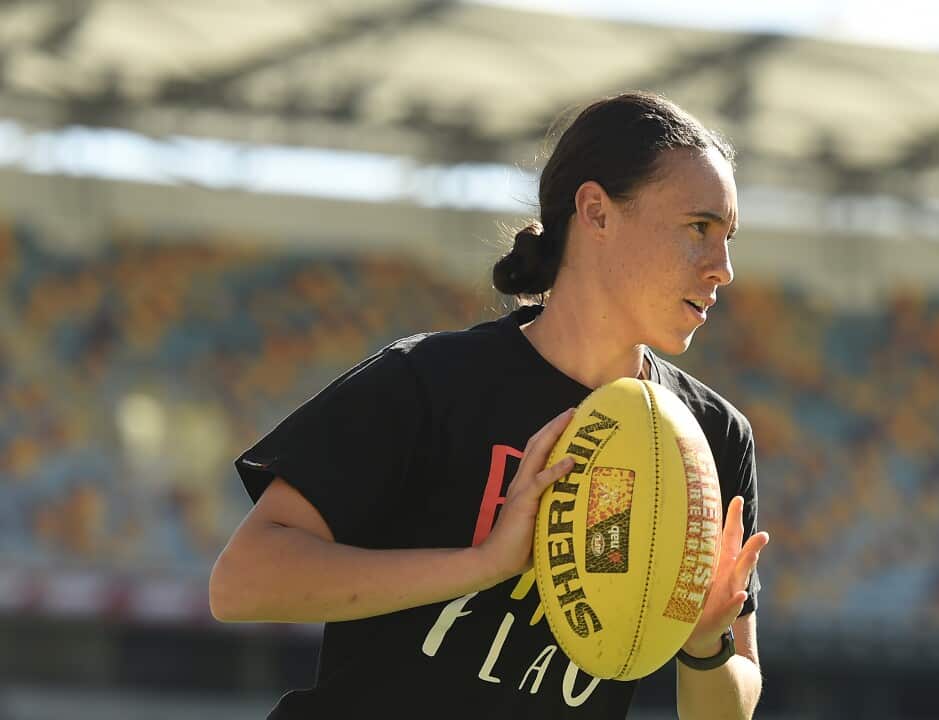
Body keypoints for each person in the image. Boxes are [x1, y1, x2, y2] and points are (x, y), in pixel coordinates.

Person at [209, 91, 769, 719]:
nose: (722, 267)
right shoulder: (430, 381)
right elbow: (242, 582)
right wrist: (483, 564)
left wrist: (703, 643)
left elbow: (726, 709)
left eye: (729, 237)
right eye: (700, 227)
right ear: (596, 212)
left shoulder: (711, 438)